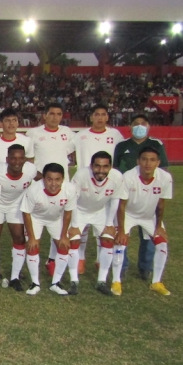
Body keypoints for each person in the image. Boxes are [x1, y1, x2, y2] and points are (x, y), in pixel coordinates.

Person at [113, 114, 169, 281]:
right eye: (135, 124)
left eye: (142, 124)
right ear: (130, 127)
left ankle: (145, 267)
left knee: (150, 236)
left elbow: (164, 169)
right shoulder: (122, 145)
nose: (139, 127)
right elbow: (115, 169)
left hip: (148, 196)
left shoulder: (156, 144)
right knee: (122, 234)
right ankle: (122, 266)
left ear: (148, 126)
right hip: (126, 194)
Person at [72, 104, 124, 274]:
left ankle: (100, 259)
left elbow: (123, 154)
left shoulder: (115, 135)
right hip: (86, 184)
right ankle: (80, 258)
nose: (100, 118)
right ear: (91, 117)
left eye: (103, 114)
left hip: (106, 185)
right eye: (97, 114)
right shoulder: (81, 136)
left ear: (107, 117)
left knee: (104, 225)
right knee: (84, 226)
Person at [114, 146, 173, 296]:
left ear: (158, 162)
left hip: (149, 216)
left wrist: (159, 226)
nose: (148, 163)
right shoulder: (128, 176)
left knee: (162, 243)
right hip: (128, 214)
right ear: (138, 161)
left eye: (152, 160)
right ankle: (116, 281)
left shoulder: (165, 178)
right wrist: (121, 230)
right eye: (144, 159)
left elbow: (161, 203)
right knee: (120, 242)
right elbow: (121, 205)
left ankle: (156, 282)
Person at [68, 151, 123, 295]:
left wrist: (110, 223)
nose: (101, 170)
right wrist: (74, 225)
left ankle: (101, 281)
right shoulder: (81, 175)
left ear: (110, 167)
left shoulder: (117, 177)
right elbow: (72, 199)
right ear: (91, 166)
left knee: (108, 240)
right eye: (97, 166)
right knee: (73, 241)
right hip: (79, 210)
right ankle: (74, 281)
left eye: (105, 167)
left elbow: (115, 200)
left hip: (100, 211)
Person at [20, 163, 77, 296]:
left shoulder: (70, 189)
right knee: (33, 247)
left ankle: (55, 283)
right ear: (43, 179)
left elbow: (68, 213)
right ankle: (35, 283)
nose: (53, 183)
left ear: (63, 179)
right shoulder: (33, 190)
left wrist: (64, 235)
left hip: (56, 219)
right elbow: (26, 213)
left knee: (64, 246)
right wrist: (32, 237)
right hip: (35, 218)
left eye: (57, 179)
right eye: (49, 179)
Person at [0, 145, 38, 291]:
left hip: (16, 206)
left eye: (21, 158)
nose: (17, 161)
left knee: (19, 238)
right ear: (7, 159)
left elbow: (43, 177)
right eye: (13, 158)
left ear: (25, 159)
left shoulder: (30, 170)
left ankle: (15, 277)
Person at [25, 102, 75, 180]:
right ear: (45, 116)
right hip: (41, 180)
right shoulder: (33, 133)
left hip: (63, 181)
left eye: (59, 114)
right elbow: (27, 158)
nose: (55, 117)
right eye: (52, 114)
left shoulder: (67, 131)